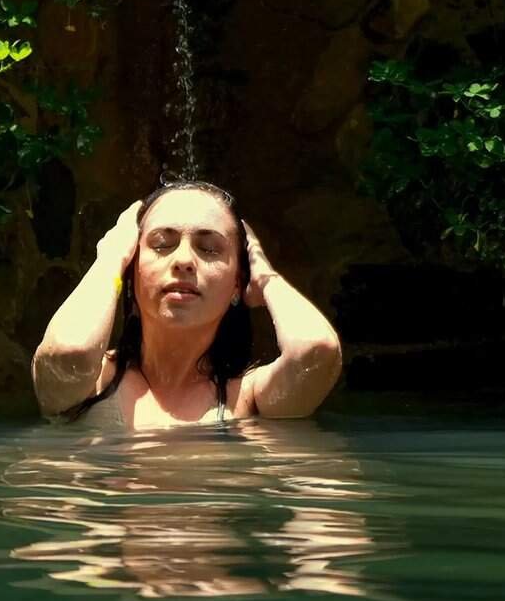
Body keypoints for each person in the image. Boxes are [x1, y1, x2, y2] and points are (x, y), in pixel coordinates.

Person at [31, 181, 343, 427]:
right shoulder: (94, 383)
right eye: (161, 245)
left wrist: (265, 277)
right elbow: (67, 353)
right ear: (132, 267)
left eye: (209, 249)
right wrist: (111, 258)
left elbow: (316, 353)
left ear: (237, 283)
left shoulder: (247, 398)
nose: (183, 260)